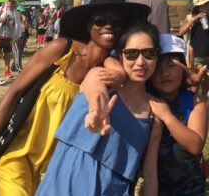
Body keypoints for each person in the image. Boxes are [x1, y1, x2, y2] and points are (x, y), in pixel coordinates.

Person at [0, 0, 150, 196]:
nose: (109, 26)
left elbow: (117, 71)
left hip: (57, 168)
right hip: (18, 158)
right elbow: (13, 93)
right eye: (101, 20)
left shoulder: (110, 68)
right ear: (89, 25)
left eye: (117, 21)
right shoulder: (61, 51)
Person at [36, 22, 163, 196]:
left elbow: (150, 176)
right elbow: (95, 89)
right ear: (121, 56)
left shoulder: (154, 113)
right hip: (66, 183)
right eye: (132, 54)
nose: (141, 62)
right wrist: (97, 109)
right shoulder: (100, 76)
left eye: (148, 53)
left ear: (157, 56)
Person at [142, 34, 208, 196]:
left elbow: (195, 146)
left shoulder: (194, 101)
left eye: (171, 65)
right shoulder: (144, 99)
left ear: (183, 68)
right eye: (157, 67)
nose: (164, 73)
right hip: (156, 189)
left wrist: (166, 116)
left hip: (191, 189)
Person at [179, 0, 209, 101]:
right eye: (204, 5)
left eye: (207, 5)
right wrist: (194, 20)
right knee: (195, 84)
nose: (207, 7)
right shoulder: (190, 17)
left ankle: (205, 112)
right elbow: (181, 32)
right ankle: (191, 108)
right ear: (197, 7)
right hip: (196, 56)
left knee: (208, 86)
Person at [0, 0, 22, 79]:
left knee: (7, 53)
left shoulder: (15, 12)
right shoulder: (1, 9)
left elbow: (18, 25)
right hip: (0, 34)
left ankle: (7, 71)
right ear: (7, 1)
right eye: (10, 1)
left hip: (9, 36)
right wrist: (1, 19)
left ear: (15, 3)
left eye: (13, 2)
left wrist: (17, 35)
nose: (11, 3)